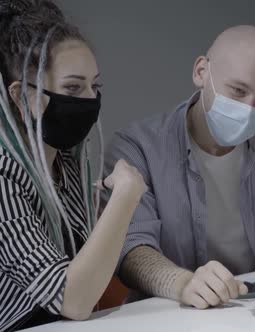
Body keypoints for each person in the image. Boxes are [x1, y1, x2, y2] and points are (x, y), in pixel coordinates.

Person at [104, 25, 255, 309]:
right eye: (237, 91)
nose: (249, 109)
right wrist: (181, 283)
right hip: (171, 315)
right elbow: (131, 247)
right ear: (201, 72)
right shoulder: (137, 148)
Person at [0, 1, 146, 330]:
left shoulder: (66, 162)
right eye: (72, 88)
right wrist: (125, 194)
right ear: (22, 95)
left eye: (95, 86)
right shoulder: (4, 176)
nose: (89, 99)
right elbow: (72, 300)